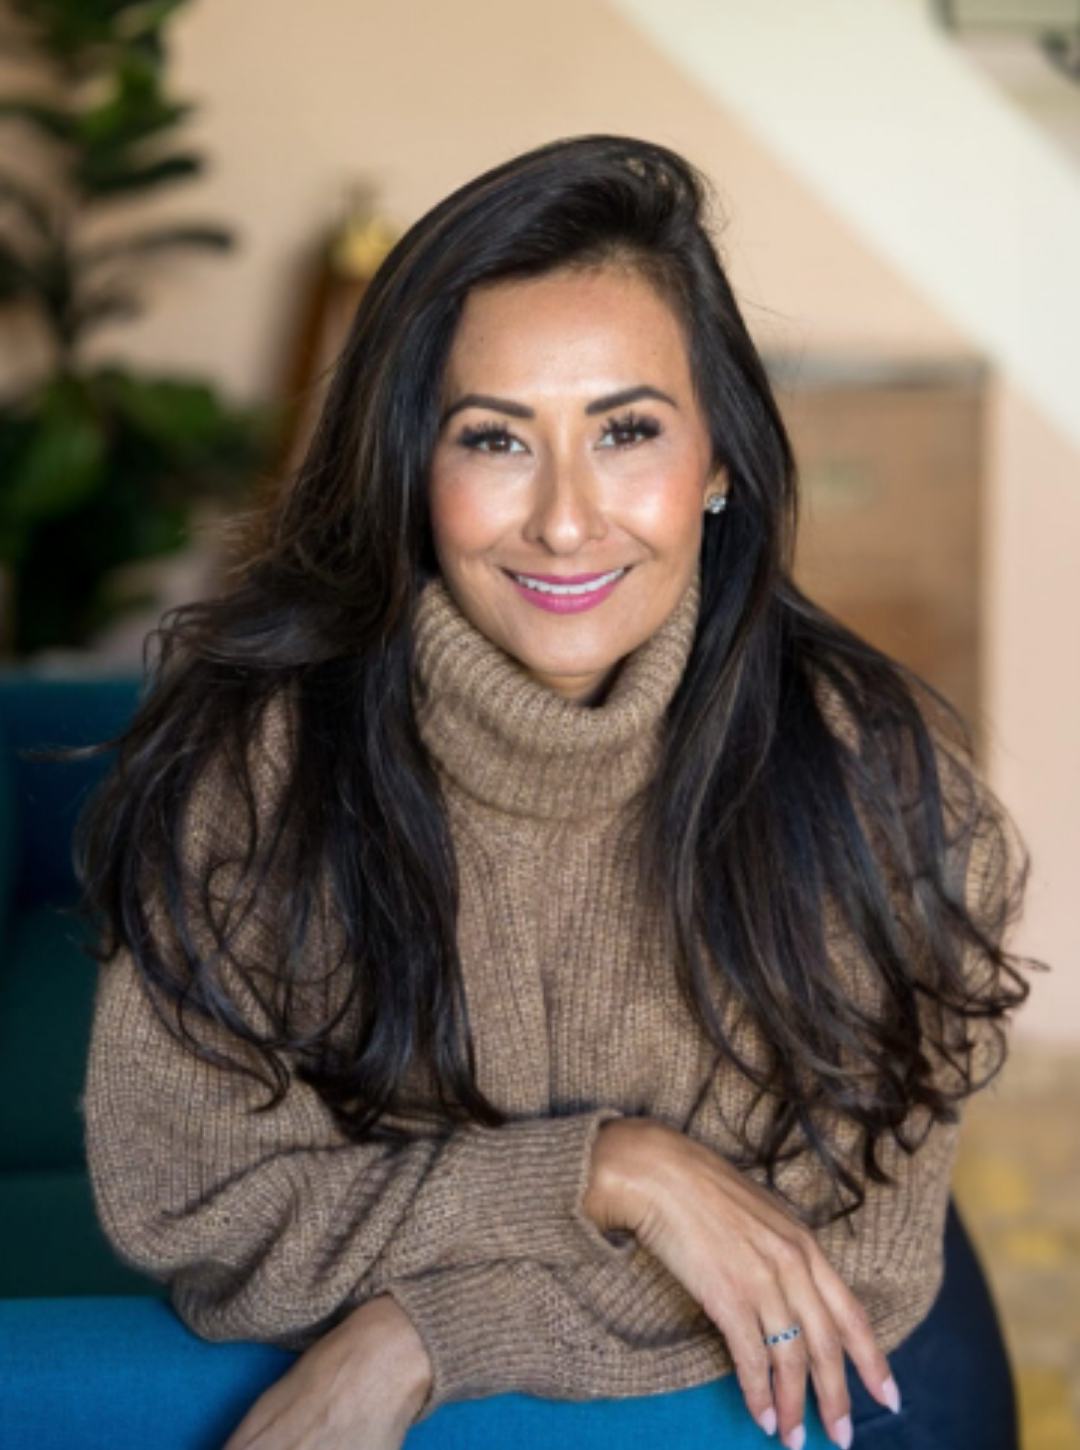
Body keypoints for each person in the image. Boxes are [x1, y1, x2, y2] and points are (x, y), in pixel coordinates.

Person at [81, 135, 1033, 1450]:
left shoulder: (878, 780)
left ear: (717, 463)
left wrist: (430, 1329)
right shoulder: (258, 779)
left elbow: (833, 1258)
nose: (569, 519)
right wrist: (612, 1170)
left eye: (627, 429)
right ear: (417, 469)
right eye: (496, 438)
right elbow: (203, 1207)